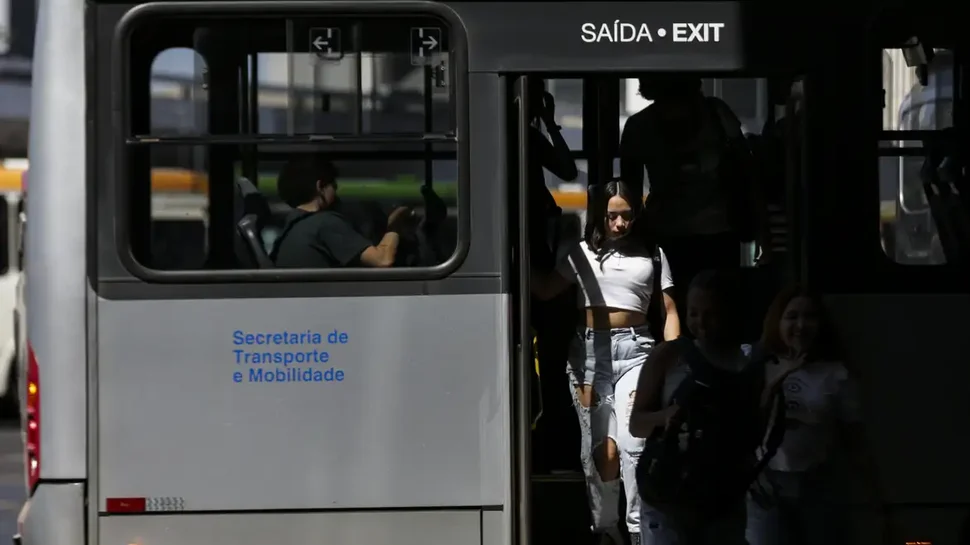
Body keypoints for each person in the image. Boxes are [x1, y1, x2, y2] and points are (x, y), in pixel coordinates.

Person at [531, 179, 681, 545]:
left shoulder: (653, 254)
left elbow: (669, 310)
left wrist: (673, 357)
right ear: (599, 215)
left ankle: (638, 529)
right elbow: (546, 289)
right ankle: (607, 528)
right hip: (587, 356)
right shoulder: (581, 253)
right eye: (612, 216)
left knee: (635, 444)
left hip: (638, 352)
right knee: (603, 451)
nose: (619, 224)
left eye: (626, 215)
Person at [628, 269, 786, 545]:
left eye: (710, 314)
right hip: (669, 493)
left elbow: (755, 436)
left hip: (721, 498)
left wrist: (771, 390)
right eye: (693, 313)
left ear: (730, 313)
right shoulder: (669, 355)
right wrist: (666, 416)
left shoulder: (748, 362)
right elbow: (636, 424)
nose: (700, 322)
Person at [746, 285, 891, 545]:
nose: (801, 325)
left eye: (810, 317)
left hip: (817, 485)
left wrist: (876, 498)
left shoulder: (835, 374)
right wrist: (778, 379)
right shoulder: (757, 364)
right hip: (767, 484)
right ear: (778, 321)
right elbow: (746, 422)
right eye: (792, 317)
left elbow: (854, 439)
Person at [619, 75, 767, 319]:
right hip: (714, 230)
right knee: (720, 308)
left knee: (673, 310)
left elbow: (630, 190)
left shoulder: (640, 125)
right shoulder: (715, 114)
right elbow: (747, 168)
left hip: (673, 230)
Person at [522, 78, 583, 474]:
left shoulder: (529, 136)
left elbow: (566, 169)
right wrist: (548, 122)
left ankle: (553, 434)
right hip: (527, 247)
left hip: (534, 247)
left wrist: (548, 124)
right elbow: (567, 168)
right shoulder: (516, 135)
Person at [271, 155, 413, 268]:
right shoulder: (325, 223)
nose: (337, 195)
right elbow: (382, 260)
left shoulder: (289, 229)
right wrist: (394, 226)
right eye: (334, 186)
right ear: (320, 187)